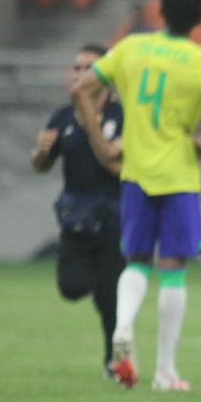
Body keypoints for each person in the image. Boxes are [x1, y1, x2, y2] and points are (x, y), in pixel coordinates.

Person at [70, 0, 201, 391]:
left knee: (135, 261)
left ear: (161, 10)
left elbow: (82, 90)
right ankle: (165, 371)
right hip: (179, 175)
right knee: (173, 270)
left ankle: (124, 326)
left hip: (135, 173)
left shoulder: (132, 48)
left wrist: (100, 146)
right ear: (200, 17)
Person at [32, 44, 124, 380]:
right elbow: (42, 165)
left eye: (88, 67)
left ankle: (113, 361)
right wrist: (40, 152)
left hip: (113, 219)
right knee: (71, 287)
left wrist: (92, 125)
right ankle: (100, 287)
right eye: (75, 67)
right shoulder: (61, 117)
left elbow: (115, 165)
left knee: (111, 301)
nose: (79, 73)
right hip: (75, 218)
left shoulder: (122, 116)